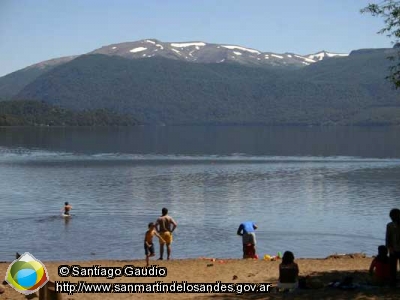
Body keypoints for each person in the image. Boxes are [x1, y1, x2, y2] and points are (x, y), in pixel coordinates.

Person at [386, 208, 400, 287]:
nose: (392, 218)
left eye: (394, 216)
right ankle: (392, 283)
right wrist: (390, 248)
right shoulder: (390, 225)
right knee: (392, 268)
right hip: (393, 249)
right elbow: (388, 238)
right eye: (391, 217)